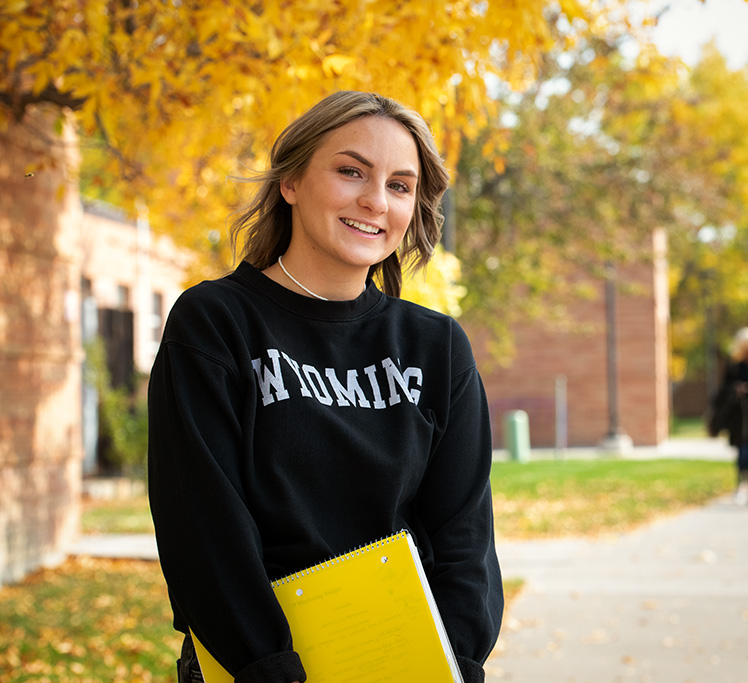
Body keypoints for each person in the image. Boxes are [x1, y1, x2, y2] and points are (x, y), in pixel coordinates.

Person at [148, 90, 503, 683]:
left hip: (405, 664)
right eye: (350, 171)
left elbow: (465, 534)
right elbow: (200, 524)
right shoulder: (214, 324)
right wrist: (269, 668)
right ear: (290, 180)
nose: (374, 201)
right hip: (253, 667)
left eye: (399, 185)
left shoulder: (436, 348)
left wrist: (457, 665)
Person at [709, 327, 748, 504]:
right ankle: (741, 485)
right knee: (742, 454)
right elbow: (721, 393)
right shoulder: (733, 368)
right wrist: (736, 390)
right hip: (739, 419)